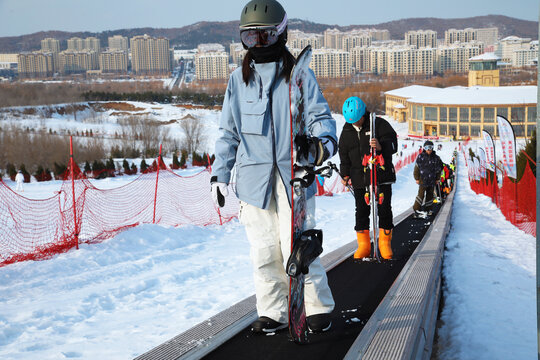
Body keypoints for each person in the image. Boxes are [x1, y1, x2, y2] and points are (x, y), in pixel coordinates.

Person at [210, 0, 336, 334]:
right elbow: (228, 132)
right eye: (251, 39)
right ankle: (273, 311)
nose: (259, 45)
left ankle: (317, 306)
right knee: (263, 252)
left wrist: (320, 146)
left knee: (297, 247)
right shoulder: (239, 80)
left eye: (264, 37)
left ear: (281, 34)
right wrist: (219, 176)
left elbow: (322, 119)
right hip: (253, 181)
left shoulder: (299, 77)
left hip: (293, 177)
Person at [338, 97, 397, 260]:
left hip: (380, 175)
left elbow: (393, 145)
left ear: (363, 114)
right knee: (361, 211)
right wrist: (345, 174)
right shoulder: (347, 130)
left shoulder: (378, 124)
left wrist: (381, 146)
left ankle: (384, 244)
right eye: (352, 122)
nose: (355, 124)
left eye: (357, 120)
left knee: (384, 209)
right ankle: (364, 245)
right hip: (359, 179)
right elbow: (344, 154)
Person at [413, 140, 443, 216]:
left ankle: (428, 209)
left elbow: (439, 169)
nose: (429, 150)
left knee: (430, 195)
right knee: (421, 194)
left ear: (433, 148)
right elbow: (417, 168)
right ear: (424, 148)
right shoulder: (421, 157)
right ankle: (416, 209)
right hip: (423, 179)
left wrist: (437, 178)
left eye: (430, 148)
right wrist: (416, 178)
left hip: (432, 180)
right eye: (427, 148)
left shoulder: (436, 158)